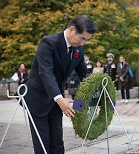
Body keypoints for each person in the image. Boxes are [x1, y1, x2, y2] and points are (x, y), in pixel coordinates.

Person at [20, 16, 96, 154]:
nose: (83, 43)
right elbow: (46, 74)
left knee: (57, 142)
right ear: (72, 30)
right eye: (82, 38)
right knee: (42, 143)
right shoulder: (48, 43)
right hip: (38, 99)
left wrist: (97, 88)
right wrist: (59, 98)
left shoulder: (78, 50)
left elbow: (84, 74)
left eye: (86, 40)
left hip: (56, 101)